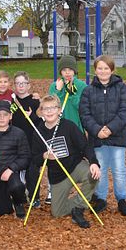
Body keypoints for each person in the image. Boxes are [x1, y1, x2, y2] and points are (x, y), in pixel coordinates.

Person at [30, 95, 103, 229]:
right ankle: (82, 201)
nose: (50, 111)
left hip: (75, 166)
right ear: (41, 112)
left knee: (93, 175)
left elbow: (85, 146)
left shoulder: (68, 126)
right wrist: (45, 155)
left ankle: (79, 207)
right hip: (58, 175)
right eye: (46, 109)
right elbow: (34, 159)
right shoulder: (38, 132)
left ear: (59, 110)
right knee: (57, 212)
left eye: (53, 108)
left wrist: (93, 162)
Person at [79, 55, 126, 217]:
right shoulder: (88, 91)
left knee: (119, 170)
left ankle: (122, 199)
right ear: (95, 70)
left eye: (106, 68)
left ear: (112, 70)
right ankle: (101, 198)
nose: (103, 71)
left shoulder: (123, 88)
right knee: (100, 169)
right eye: (100, 68)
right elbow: (85, 114)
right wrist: (97, 130)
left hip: (117, 136)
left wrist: (110, 129)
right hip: (97, 138)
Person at [0, 100, 30, 218]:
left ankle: (18, 201)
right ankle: (6, 197)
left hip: (11, 172)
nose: (2, 118)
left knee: (16, 186)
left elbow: (25, 157)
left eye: (5, 115)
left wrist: (11, 169)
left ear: (10, 116)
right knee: (4, 211)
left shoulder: (19, 133)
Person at [10, 71, 42, 206]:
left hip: (32, 142)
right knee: (16, 170)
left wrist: (32, 116)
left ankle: (35, 197)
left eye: (23, 83)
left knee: (32, 171)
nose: (20, 86)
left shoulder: (35, 102)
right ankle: (18, 196)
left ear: (28, 85)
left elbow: (42, 122)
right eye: (17, 83)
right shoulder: (12, 102)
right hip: (16, 142)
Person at [48, 55, 87, 131]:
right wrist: (58, 91)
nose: (67, 72)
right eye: (64, 69)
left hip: (76, 125)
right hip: (58, 126)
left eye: (70, 69)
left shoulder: (81, 85)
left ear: (74, 71)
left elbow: (82, 107)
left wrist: (72, 94)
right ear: (60, 71)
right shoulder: (54, 86)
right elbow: (51, 107)